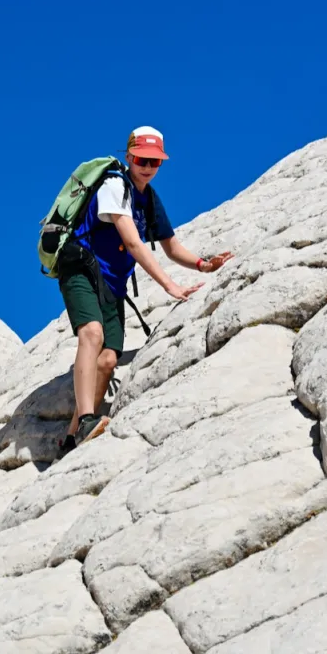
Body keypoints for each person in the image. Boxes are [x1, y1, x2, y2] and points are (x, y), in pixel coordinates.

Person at [56, 126, 233, 455]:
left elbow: (171, 245)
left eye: (155, 161)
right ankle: (86, 421)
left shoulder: (149, 200)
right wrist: (170, 286)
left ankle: (71, 437)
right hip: (80, 269)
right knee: (91, 335)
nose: (147, 166)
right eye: (141, 159)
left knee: (108, 360)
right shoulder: (114, 185)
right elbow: (133, 243)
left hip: (112, 284)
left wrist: (203, 264)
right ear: (129, 156)